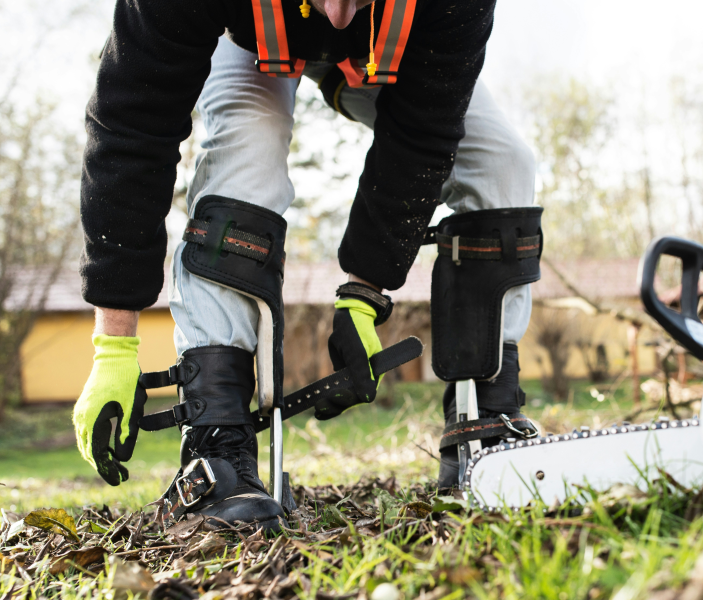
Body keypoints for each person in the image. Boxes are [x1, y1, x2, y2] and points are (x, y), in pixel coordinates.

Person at [71, 0, 541, 532]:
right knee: (248, 155)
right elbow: (133, 124)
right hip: (245, 36)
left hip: (395, 53)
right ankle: (216, 442)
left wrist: (365, 290)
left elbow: (423, 133)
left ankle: (485, 423)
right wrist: (114, 343)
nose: (338, 17)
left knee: (504, 161)